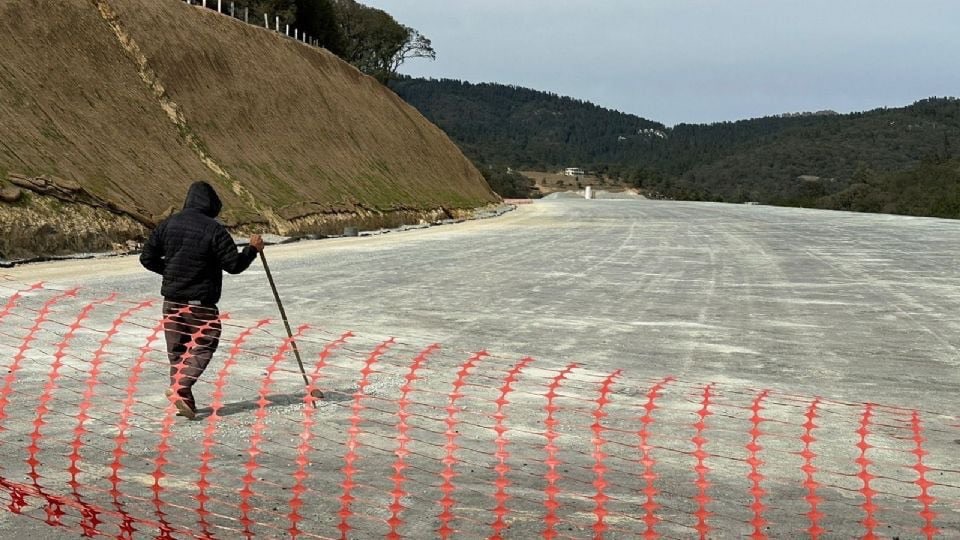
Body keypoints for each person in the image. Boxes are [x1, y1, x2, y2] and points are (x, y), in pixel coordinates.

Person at [140, 181, 264, 420]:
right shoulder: (214, 229)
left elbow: (147, 258)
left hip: (172, 301)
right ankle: (181, 387)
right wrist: (252, 250)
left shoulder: (168, 224)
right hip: (200, 302)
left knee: (178, 351)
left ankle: (184, 400)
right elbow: (234, 265)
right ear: (212, 205)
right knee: (206, 341)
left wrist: (171, 271)